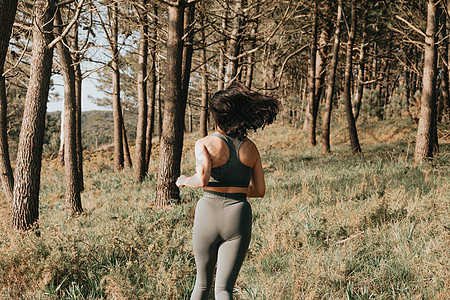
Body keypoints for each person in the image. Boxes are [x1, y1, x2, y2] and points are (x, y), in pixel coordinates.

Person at [176, 81, 281, 300]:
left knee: (202, 285)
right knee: (224, 290)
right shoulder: (251, 148)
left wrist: (184, 180)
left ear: (217, 116)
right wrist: (237, 190)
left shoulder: (204, 143)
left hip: (208, 211)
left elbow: (203, 178)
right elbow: (259, 190)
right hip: (239, 214)